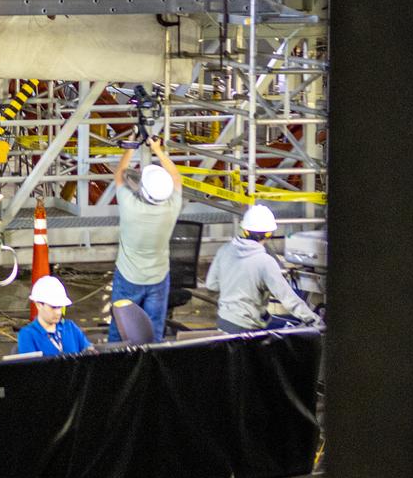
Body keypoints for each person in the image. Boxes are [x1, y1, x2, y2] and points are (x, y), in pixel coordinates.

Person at [108, 137, 183, 341]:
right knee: (154, 331)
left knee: (119, 327)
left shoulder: (131, 207)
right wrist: (158, 150)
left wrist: (131, 146)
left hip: (128, 277)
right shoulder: (172, 207)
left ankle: (111, 365)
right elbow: (177, 178)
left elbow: (120, 175)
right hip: (158, 277)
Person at [207, 204, 322, 332]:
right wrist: (314, 320)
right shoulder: (265, 262)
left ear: (244, 230)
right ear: (269, 234)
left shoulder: (224, 250)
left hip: (223, 323)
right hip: (246, 329)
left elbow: (212, 285)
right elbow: (288, 299)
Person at [17, 274, 91, 356]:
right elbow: (31, 367)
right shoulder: (28, 335)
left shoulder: (70, 327)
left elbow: (89, 353)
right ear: (38, 305)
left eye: (60, 307)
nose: (58, 312)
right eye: (54, 307)